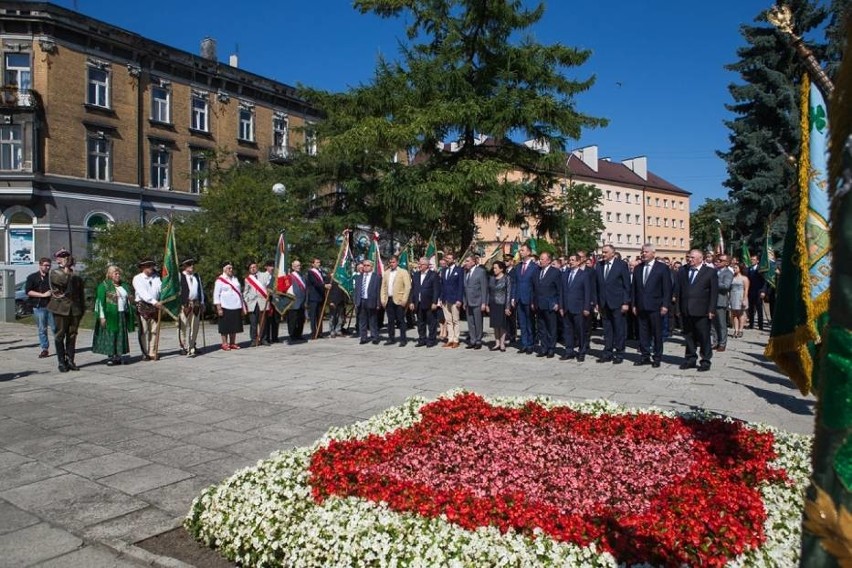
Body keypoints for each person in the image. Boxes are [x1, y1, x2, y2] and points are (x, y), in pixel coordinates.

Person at [676, 249, 718, 372]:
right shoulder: (682, 271)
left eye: (692, 257)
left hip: (703, 310)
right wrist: (678, 308)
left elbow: (713, 293)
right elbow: (679, 292)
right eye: (688, 257)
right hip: (686, 310)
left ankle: (705, 360)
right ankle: (690, 359)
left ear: (700, 258)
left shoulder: (710, 272)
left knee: (703, 336)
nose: (690, 259)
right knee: (688, 336)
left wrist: (711, 309)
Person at [632, 244, 672, 368]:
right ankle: (645, 356)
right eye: (642, 252)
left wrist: (665, 305)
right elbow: (634, 288)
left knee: (656, 333)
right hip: (641, 306)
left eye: (646, 252)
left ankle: (657, 357)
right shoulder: (638, 268)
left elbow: (667, 288)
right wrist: (633, 304)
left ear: (653, 253)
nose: (643, 254)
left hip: (656, 306)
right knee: (643, 333)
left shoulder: (662, 268)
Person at [47, 249, 85, 372]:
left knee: (72, 335)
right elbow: (63, 282)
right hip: (60, 308)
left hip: (74, 309)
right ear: (57, 259)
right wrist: (67, 270)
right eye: (61, 257)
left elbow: (80, 293)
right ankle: (61, 362)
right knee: (60, 334)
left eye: (66, 257)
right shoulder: (54, 273)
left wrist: (82, 309)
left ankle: (70, 360)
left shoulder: (76, 275)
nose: (64, 259)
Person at [595, 244, 631, 364]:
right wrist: (597, 302)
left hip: (617, 302)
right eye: (602, 252)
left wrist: (626, 302)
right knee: (607, 330)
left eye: (605, 252)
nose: (603, 254)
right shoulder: (599, 265)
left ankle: (619, 353)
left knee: (619, 329)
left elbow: (627, 286)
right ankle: (607, 352)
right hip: (604, 303)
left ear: (613, 253)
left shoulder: (621, 265)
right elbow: (597, 286)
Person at [92, 265, 135, 365]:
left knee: (120, 335)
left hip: (121, 314)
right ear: (110, 274)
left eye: (119, 273)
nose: (118, 275)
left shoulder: (123, 286)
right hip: (110, 315)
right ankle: (111, 356)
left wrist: (131, 300)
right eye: (115, 273)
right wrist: (102, 316)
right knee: (111, 335)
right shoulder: (104, 286)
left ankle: (119, 356)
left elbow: (128, 299)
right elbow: (100, 302)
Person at [560, 254, 593, 361]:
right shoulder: (565, 274)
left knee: (580, 331)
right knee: (568, 331)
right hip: (567, 308)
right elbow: (562, 292)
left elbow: (587, 292)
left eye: (573, 260)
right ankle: (569, 351)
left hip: (579, 307)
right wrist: (561, 306)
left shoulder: (584, 275)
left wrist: (587, 308)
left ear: (579, 262)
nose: (570, 262)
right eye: (569, 260)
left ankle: (582, 351)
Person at [532, 252, 562, 358]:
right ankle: (543, 348)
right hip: (539, 304)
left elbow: (559, 289)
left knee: (551, 328)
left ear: (549, 260)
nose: (540, 261)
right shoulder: (537, 272)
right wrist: (533, 302)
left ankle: (551, 348)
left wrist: (557, 303)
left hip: (550, 304)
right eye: (540, 259)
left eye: (542, 259)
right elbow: (534, 288)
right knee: (541, 328)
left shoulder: (555, 272)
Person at [511, 243, 539, 354]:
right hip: (519, 298)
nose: (520, 252)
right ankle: (524, 343)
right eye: (520, 250)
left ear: (528, 252)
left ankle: (531, 344)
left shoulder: (535, 267)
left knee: (530, 322)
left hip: (529, 298)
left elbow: (535, 285)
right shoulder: (518, 267)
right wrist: (513, 297)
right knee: (522, 323)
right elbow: (514, 283)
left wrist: (533, 300)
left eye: (522, 250)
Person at [132, 259, 162, 361]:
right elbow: (142, 293)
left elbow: (160, 289)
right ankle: (144, 352)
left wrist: (161, 299)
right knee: (143, 331)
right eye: (148, 266)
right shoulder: (137, 278)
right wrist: (154, 301)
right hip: (143, 306)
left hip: (155, 307)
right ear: (143, 267)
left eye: (152, 266)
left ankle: (152, 351)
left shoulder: (156, 278)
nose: (151, 268)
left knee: (154, 331)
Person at [25, 257, 55, 359]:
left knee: (56, 328)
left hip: (51, 306)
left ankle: (60, 348)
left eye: (49, 265)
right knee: (42, 329)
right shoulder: (32, 277)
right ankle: (45, 349)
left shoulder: (51, 277)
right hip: (39, 307)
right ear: (40, 265)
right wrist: (42, 295)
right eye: (45, 265)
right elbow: (28, 291)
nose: (47, 267)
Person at [213, 262, 246, 350]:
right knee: (225, 326)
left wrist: (242, 305)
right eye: (229, 268)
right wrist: (218, 307)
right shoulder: (220, 280)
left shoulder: (235, 279)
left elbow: (239, 292)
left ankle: (232, 343)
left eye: (231, 268)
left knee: (234, 326)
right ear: (224, 269)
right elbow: (216, 294)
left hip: (236, 305)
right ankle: (224, 343)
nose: (231, 270)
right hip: (225, 306)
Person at [381, 255, 412, 346]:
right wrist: (383, 299)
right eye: (390, 262)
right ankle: (391, 338)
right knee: (390, 320)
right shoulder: (386, 273)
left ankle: (403, 339)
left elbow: (408, 287)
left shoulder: (403, 272)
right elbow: (383, 287)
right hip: (389, 299)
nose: (392, 264)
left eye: (393, 262)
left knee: (400, 320)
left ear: (397, 262)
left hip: (399, 300)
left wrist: (404, 300)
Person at [409, 257, 441, 347]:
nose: (419, 265)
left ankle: (431, 340)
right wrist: (411, 301)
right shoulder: (416, 274)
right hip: (418, 303)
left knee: (431, 323)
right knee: (420, 323)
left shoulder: (433, 275)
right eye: (419, 264)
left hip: (429, 303)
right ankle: (422, 339)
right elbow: (413, 289)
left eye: (421, 264)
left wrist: (435, 302)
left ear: (427, 265)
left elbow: (436, 290)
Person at [179, 258, 205, 357]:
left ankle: (192, 346)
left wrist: (202, 302)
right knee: (183, 326)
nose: (192, 266)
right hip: (184, 304)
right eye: (189, 264)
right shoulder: (180, 276)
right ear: (184, 266)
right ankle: (183, 346)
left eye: (192, 264)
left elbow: (200, 290)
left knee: (195, 326)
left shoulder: (196, 276)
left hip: (196, 303)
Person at [463, 254, 489, 349]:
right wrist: (464, 301)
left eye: (467, 261)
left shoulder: (481, 272)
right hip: (468, 302)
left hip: (478, 301)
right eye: (465, 261)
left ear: (473, 262)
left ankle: (478, 340)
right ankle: (472, 340)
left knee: (478, 322)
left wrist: (484, 303)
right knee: (470, 323)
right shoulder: (466, 272)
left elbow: (484, 288)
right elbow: (464, 288)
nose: (465, 263)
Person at [439, 252, 464, 348]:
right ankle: (450, 339)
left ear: (453, 260)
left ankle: (456, 340)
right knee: (448, 320)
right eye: (446, 258)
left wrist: (459, 299)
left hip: (455, 299)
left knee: (455, 320)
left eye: (449, 258)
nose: (447, 260)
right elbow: (442, 285)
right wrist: (441, 298)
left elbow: (461, 286)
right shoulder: (444, 270)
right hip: (445, 299)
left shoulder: (459, 270)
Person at [486, 260, 512, 352]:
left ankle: (502, 343)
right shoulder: (491, 278)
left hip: (502, 303)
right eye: (493, 268)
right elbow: (488, 292)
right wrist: (487, 304)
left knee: (502, 325)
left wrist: (507, 307)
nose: (494, 269)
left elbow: (508, 293)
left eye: (496, 268)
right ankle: (497, 343)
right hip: (493, 304)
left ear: (501, 269)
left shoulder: (506, 278)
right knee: (495, 325)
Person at [243, 261, 271, 346]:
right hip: (252, 303)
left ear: (257, 267)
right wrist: (247, 300)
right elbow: (245, 292)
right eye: (251, 268)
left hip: (262, 302)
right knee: (253, 323)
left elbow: (269, 285)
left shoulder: (264, 275)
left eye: (254, 267)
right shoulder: (247, 279)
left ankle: (263, 339)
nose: (253, 269)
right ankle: (254, 340)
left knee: (263, 322)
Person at [354, 259, 381, 344]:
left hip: (371, 301)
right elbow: (356, 290)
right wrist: (356, 301)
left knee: (373, 320)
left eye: (367, 265)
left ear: (372, 267)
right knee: (362, 320)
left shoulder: (376, 277)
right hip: (361, 301)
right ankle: (363, 337)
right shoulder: (359, 277)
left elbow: (378, 291)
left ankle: (374, 337)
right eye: (364, 265)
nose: (365, 267)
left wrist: (378, 303)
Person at [712, 254, 733, 352]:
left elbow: (726, 286)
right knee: (713, 324)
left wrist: (714, 282)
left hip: (721, 301)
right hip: (712, 301)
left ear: (727, 263)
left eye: (721, 260)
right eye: (718, 260)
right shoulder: (715, 271)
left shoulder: (728, 273)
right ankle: (715, 342)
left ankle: (722, 343)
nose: (718, 261)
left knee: (721, 324)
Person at [306, 258, 328, 338]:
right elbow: (315, 283)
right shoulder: (310, 272)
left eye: (319, 262)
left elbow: (323, 280)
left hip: (320, 296)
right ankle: (313, 332)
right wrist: (324, 285)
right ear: (313, 264)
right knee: (313, 316)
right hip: (313, 297)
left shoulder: (320, 272)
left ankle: (320, 332)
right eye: (317, 262)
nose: (319, 263)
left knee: (320, 315)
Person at [286, 260, 307, 343]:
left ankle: (299, 334)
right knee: (292, 319)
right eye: (297, 265)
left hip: (302, 301)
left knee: (301, 319)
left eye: (299, 265)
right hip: (293, 301)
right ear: (293, 267)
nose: (298, 267)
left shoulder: (302, 276)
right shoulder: (290, 276)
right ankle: (292, 335)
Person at [261, 260, 281, 343]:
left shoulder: (276, 276)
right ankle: (266, 338)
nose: (272, 268)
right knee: (267, 320)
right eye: (270, 266)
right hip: (267, 299)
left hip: (275, 299)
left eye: (273, 266)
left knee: (276, 319)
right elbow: (262, 287)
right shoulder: (262, 276)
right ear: (266, 267)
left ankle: (275, 337)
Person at [729, 263, 749, 338]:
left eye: (736, 267)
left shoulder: (744, 278)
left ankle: (741, 330)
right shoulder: (732, 277)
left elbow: (746, 289)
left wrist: (744, 299)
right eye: (733, 268)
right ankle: (736, 330)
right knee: (734, 314)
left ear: (740, 268)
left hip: (740, 295)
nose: (734, 269)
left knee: (740, 314)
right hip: (733, 295)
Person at [746, 254, 766, 330]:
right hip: (751, 291)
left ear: (757, 261)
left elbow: (764, 281)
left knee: (759, 309)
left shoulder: (760, 269)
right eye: (751, 259)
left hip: (758, 291)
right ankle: (751, 324)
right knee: (751, 309)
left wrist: (763, 291)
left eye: (754, 259)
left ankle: (760, 325)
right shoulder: (749, 269)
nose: (752, 261)